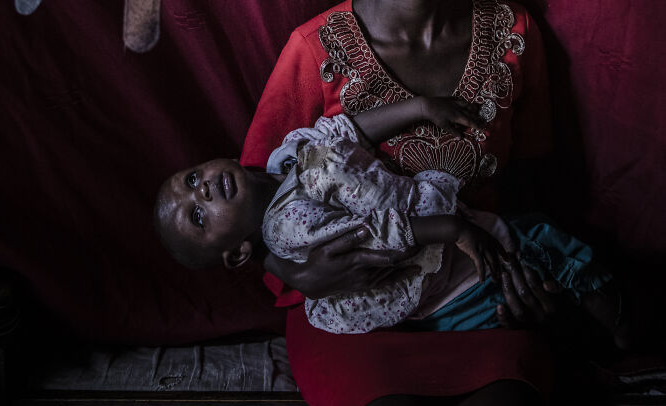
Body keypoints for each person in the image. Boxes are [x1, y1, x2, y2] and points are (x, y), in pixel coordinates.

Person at [239, 0, 568, 406]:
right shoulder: (314, 51)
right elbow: (250, 200)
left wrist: (537, 272)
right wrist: (293, 268)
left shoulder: (512, 33)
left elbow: (534, 178)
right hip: (354, 308)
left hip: (473, 294)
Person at [155, 101, 622, 341]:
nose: (201, 190)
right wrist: (453, 229)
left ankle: (604, 328)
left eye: (192, 177)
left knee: (540, 251)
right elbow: (375, 238)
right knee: (542, 256)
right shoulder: (285, 228)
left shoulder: (287, 159)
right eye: (198, 214)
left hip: (450, 237)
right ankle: (624, 338)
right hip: (442, 261)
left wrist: (419, 108)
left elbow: (345, 129)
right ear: (237, 252)